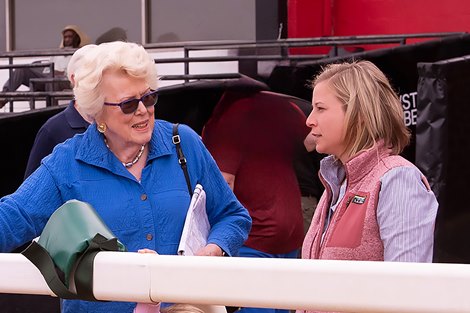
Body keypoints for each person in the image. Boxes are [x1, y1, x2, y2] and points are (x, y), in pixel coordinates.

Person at [0, 41, 251, 313]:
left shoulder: (184, 143)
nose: (143, 110)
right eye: (129, 104)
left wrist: (213, 250)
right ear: (98, 113)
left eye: (149, 97)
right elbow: (14, 217)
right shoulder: (67, 163)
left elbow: (232, 215)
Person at [300, 60, 438, 310]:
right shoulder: (336, 182)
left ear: (360, 116)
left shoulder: (397, 180)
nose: (309, 120)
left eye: (320, 108)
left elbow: (407, 295)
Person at [202, 90, 309, 313]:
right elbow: (311, 142)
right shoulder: (279, 106)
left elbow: (223, 186)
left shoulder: (229, 118)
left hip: (259, 242)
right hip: (271, 242)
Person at [24, 44, 96, 179]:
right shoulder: (52, 130)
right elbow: (30, 190)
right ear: (74, 79)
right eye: (92, 76)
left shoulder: (116, 122)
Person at [0, 25, 90, 109]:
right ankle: (4, 97)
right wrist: (51, 72)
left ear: (77, 38)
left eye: (70, 37)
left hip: (66, 80)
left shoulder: (81, 53)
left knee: (51, 78)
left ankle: (50, 111)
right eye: (65, 37)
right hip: (49, 77)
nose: (67, 40)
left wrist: (62, 73)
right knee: (23, 70)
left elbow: (80, 71)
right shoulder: (57, 53)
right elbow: (47, 68)